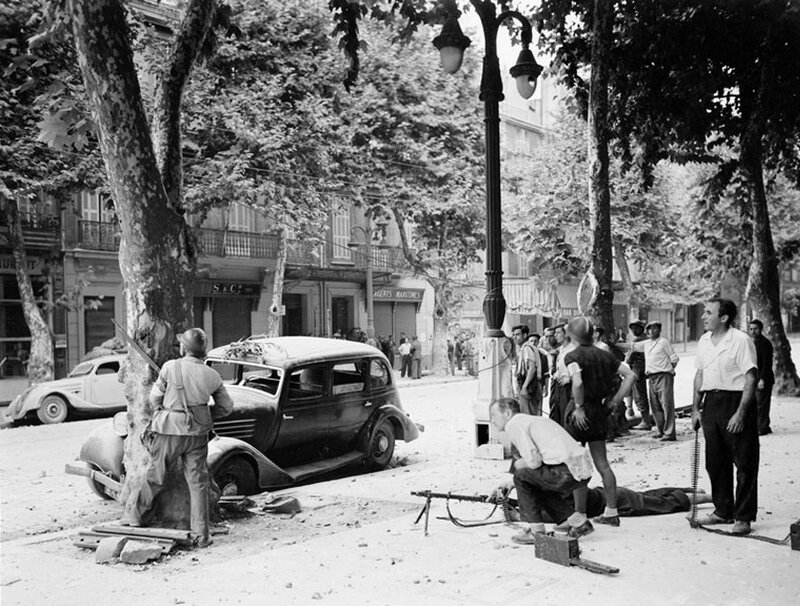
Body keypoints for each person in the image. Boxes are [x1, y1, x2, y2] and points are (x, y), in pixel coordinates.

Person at [121, 328, 233, 547]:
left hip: (168, 431)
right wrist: (204, 415)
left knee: (156, 475)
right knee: (198, 483)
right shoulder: (213, 375)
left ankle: (135, 517)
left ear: (184, 347)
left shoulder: (170, 367)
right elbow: (227, 407)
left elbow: (154, 399)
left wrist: (166, 409)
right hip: (197, 435)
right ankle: (201, 535)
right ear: (202, 350)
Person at [691, 298, 758, 535]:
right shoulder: (703, 341)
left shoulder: (740, 340)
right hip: (711, 403)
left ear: (724, 318)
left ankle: (744, 517)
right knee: (715, 461)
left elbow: (751, 378)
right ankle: (723, 510)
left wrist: (740, 413)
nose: (703, 316)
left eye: (708, 313)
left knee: (744, 462)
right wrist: (695, 408)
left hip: (736, 401)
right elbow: (700, 374)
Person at [489, 397, 594, 544]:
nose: (492, 421)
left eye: (494, 415)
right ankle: (579, 523)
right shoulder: (532, 420)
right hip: (580, 470)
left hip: (565, 471)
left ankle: (535, 531)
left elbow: (533, 461)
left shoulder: (514, 424)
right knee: (534, 484)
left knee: (520, 476)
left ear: (507, 413)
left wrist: (519, 464)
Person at [564, 316, 636, 528]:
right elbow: (630, 375)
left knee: (576, 463)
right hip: (600, 411)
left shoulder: (572, 356)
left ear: (572, 335)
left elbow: (577, 382)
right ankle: (611, 511)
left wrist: (578, 407)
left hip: (580, 412)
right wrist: (615, 400)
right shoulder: (605, 356)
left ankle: (580, 514)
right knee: (602, 463)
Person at [620, 321, 679, 441]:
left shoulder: (663, 342)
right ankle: (661, 431)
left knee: (666, 405)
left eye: (654, 329)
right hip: (651, 377)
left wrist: (669, 370)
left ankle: (669, 433)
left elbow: (674, 358)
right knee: (655, 405)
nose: (652, 331)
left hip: (664, 376)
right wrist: (615, 344)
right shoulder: (646, 344)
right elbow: (632, 346)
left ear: (659, 330)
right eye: (649, 329)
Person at [748, 319, 774, 436]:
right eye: (751, 329)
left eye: (756, 329)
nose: (753, 331)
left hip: (764, 378)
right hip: (754, 378)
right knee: (757, 403)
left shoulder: (765, 343)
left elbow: (767, 363)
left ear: (761, 329)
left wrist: (762, 379)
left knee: (762, 404)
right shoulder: (750, 342)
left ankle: (762, 428)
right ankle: (764, 426)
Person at [626, 320, 653, 430]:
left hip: (638, 368)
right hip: (644, 368)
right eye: (632, 328)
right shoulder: (648, 339)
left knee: (639, 393)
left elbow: (629, 358)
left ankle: (645, 421)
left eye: (636, 328)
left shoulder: (638, 340)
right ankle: (631, 408)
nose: (634, 331)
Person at [511, 325, 542, 415]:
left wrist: (524, 387)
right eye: (513, 335)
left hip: (529, 387)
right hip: (530, 386)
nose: (514, 337)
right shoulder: (524, 348)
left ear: (524, 335)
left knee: (529, 415)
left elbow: (532, 368)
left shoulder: (527, 348)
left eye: (517, 335)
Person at [548, 324, 575, 426]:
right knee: (557, 412)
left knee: (566, 413)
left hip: (568, 386)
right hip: (559, 385)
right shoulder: (561, 349)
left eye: (558, 333)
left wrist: (569, 378)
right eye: (555, 333)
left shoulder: (572, 349)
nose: (555, 335)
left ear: (566, 334)